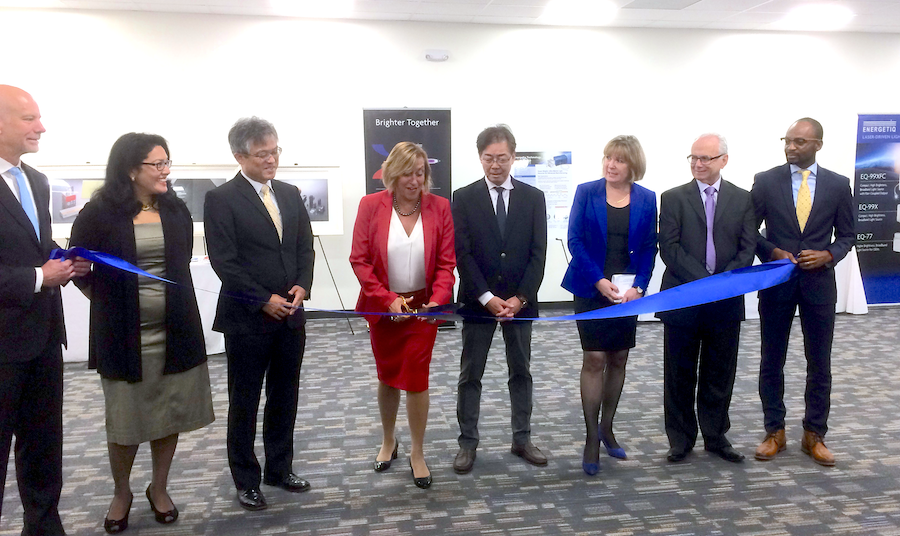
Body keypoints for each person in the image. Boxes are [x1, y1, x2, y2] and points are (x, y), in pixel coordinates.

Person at [70, 133, 215, 533]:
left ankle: (160, 487)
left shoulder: (176, 209)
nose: (166, 171)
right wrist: (106, 298)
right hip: (122, 335)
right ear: (131, 169)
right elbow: (78, 265)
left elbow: (180, 263)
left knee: (168, 414)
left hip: (175, 331)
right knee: (125, 419)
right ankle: (122, 492)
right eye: (157, 164)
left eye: (168, 162)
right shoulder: (99, 212)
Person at [204, 117, 315, 509]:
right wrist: (262, 299)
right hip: (248, 318)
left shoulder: (289, 192)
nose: (271, 160)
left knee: (285, 396)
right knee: (245, 400)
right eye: (262, 154)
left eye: (275, 151)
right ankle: (246, 478)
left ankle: (280, 468)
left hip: (291, 314)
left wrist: (304, 283)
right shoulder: (221, 199)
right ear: (239, 156)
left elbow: (304, 247)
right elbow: (225, 262)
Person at [0, 85, 89, 536]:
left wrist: (68, 259)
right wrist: (39, 278)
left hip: (42, 337)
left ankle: (44, 527)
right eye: (29, 118)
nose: (42, 127)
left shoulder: (33, 180)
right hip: (2, 344)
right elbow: (27, 269)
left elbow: (34, 249)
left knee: (42, 448)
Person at [350, 141, 455, 489]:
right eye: (408, 172)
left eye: (420, 172)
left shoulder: (440, 208)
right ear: (393, 174)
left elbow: (445, 264)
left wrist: (437, 301)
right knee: (387, 375)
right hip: (384, 309)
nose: (414, 180)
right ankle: (388, 440)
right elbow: (359, 260)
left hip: (424, 310)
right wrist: (385, 299)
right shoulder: (370, 206)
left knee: (416, 376)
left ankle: (418, 451)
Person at [751, 118, 855, 466]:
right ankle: (773, 432)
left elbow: (847, 236)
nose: (790, 147)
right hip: (777, 283)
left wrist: (828, 255)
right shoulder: (766, 181)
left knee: (819, 362)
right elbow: (748, 231)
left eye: (799, 142)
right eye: (787, 140)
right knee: (771, 359)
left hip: (819, 284)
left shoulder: (839, 185)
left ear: (817, 146)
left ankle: (815, 434)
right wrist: (772, 252)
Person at [451, 125, 548, 474]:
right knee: (470, 374)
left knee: (521, 371)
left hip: (521, 304)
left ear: (513, 156)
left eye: (502, 158)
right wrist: (488, 297)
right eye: (489, 158)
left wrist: (520, 298)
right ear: (480, 158)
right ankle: (467, 443)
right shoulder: (462, 197)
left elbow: (539, 255)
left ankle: (522, 438)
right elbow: (463, 254)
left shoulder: (533, 197)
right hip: (479, 303)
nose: (496, 165)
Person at [656, 133, 756, 464]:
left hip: (726, 302)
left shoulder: (743, 199)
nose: (698, 164)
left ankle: (716, 436)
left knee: (719, 373)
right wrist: (705, 283)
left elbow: (748, 247)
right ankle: (681, 439)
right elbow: (669, 248)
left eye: (705, 158)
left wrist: (723, 284)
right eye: (693, 158)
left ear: (723, 160)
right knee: (679, 373)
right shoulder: (673, 198)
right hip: (683, 298)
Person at [561, 135, 657, 475]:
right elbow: (575, 241)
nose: (610, 165)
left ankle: (607, 428)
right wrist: (598, 280)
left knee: (618, 357)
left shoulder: (647, 199)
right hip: (590, 286)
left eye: (618, 160)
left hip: (625, 292)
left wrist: (640, 287)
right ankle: (591, 437)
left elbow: (648, 248)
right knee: (594, 357)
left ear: (633, 166)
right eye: (607, 158)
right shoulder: (587, 192)